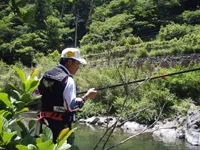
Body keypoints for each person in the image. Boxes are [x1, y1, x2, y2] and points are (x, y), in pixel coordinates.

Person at [38, 48, 97, 143]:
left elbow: (36, 93)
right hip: (61, 127)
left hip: (44, 125)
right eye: (78, 63)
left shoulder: (46, 75)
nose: (78, 66)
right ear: (69, 62)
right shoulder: (68, 80)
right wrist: (87, 96)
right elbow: (72, 106)